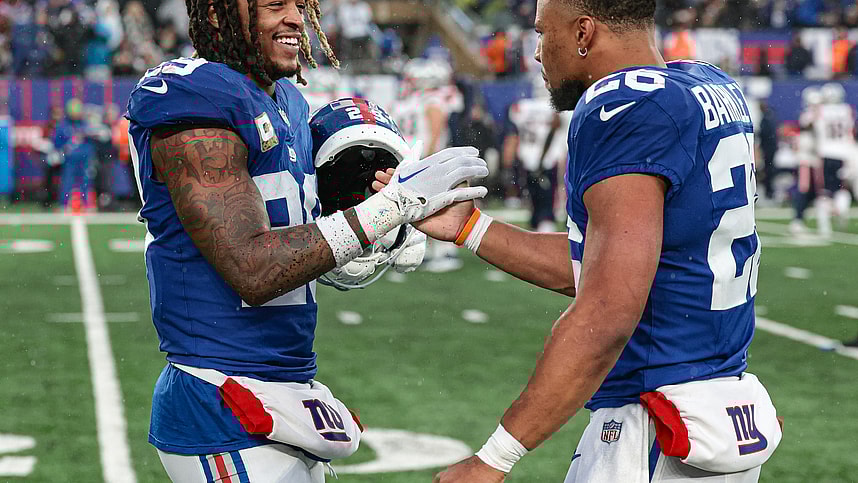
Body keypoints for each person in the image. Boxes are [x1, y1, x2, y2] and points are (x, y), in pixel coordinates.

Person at [124, 0, 488, 480]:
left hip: (286, 385)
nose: (296, 17)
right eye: (275, 4)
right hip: (220, 394)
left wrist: (371, 241)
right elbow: (251, 268)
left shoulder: (288, 102)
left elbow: (295, 235)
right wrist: (388, 208)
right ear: (216, 13)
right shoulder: (194, 102)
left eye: (301, 4)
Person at [425, 0, 782, 481]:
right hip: (717, 410)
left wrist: (493, 458)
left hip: (653, 424)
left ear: (583, 33)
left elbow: (608, 308)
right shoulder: (707, 84)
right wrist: (471, 229)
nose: (536, 53)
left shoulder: (622, 105)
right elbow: (612, 264)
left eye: (541, 33)